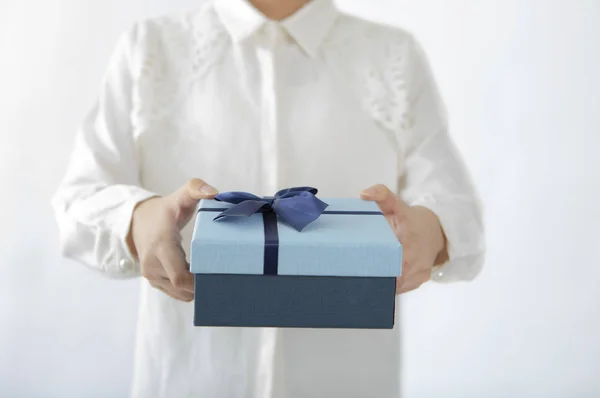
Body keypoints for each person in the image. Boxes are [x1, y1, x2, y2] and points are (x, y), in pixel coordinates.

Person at [52, 0, 485, 396]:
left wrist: (431, 232)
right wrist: (138, 219)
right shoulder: (150, 48)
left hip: (349, 379)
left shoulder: (393, 55)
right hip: (188, 377)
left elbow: (458, 206)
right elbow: (79, 199)